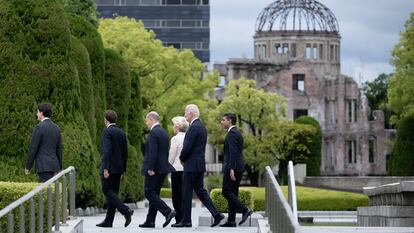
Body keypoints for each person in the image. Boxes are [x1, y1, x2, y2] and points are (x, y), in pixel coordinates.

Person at [172, 104, 224, 228]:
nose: (184, 115)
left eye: (185, 112)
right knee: (200, 191)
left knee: (186, 192)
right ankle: (216, 215)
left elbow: (187, 147)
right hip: (199, 164)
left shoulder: (194, 127)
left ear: (191, 113)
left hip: (191, 165)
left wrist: (181, 158)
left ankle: (186, 221)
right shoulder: (201, 126)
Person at [96, 110, 133, 228]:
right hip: (118, 168)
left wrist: (106, 168)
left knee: (107, 190)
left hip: (110, 168)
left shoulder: (108, 131)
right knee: (113, 193)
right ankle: (108, 221)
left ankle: (125, 210)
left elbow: (107, 151)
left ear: (106, 120)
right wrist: (123, 170)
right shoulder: (121, 132)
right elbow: (125, 153)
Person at [140, 111, 176, 228]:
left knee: (149, 192)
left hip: (154, 169)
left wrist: (150, 168)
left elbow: (153, 152)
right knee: (155, 194)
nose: (146, 123)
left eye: (146, 120)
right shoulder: (164, 132)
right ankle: (150, 221)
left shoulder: (154, 133)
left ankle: (167, 211)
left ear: (151, 119)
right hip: (162, 168)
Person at [220, 113, 253, 227]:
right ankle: (231, 220)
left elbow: (233, 152)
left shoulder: (232, 134)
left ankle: (244, 210)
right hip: (236, 167)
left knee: (226, 191)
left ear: (229, 121)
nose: (221, 122)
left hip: (233, 168)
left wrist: (231, 168)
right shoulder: (235, 132)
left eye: (223, 120)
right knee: (233, 193)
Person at [25, 103, 62, 183]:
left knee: (45, 192)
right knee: (52, 191)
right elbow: (59, 149)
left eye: (37, 112)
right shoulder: (57, 128)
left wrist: (28, 166)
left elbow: (33, 148)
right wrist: (59, 167)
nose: (36, 114)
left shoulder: (39, 127)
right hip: (55, 166)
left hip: (43, 166)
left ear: (41, 113)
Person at [168, 116, 189, 224]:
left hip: (176, 169)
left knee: (176, 196)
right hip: (186, 169)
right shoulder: (188, 137)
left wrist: (168, 166)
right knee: (184, 195)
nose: (172, 127)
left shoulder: (175, 138)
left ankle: (179, 219)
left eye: (173, 125)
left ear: (177, 126)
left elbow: (172, 156)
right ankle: (185, 218)